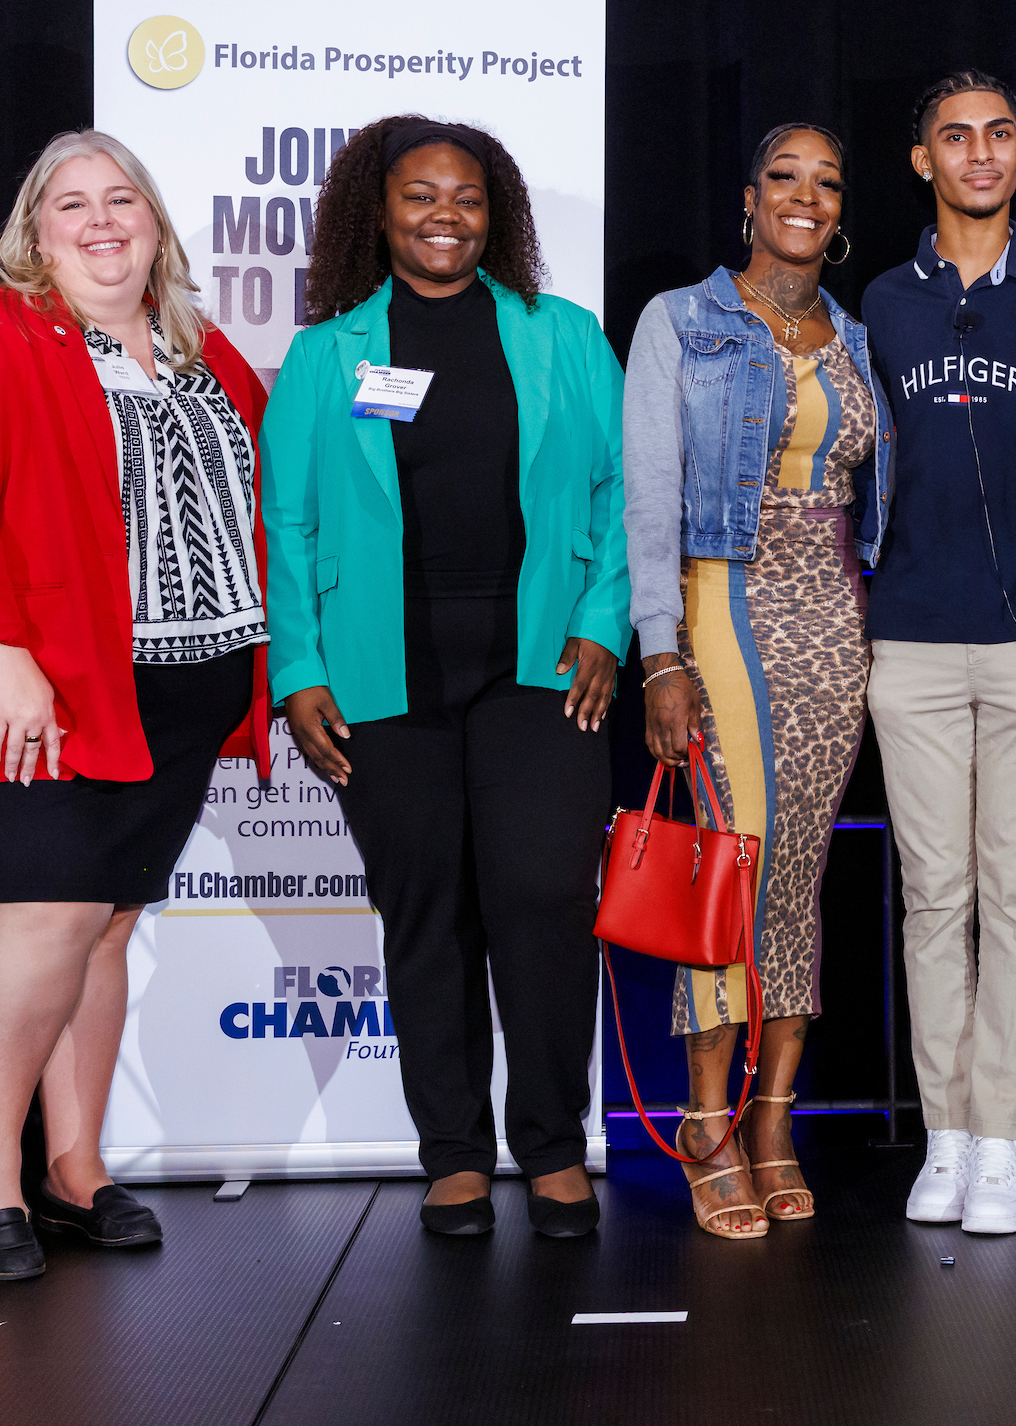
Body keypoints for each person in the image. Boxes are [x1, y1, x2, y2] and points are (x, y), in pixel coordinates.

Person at [0, 130, 276, 1280]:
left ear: (156, 222)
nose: (102, 222)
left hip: (187, 689)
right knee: (43, 909)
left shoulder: (211, 354)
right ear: (34, 233)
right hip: (42, 687)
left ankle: (75, 1164)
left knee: (105, 922)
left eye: (123, 200)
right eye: (71, 205)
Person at [263, 117, 627, 1240]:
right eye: (420, 196)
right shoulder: (328, 355)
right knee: (427, 912)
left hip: (538, 663)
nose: (443, 216)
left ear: (496, 212)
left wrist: (605, 625)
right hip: (383, 668)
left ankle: (555, 1145)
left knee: (542, 900)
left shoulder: (563, 336)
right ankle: (456, 1155)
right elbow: (289, 518)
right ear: (380, 210)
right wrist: (300, 668)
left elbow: (620, 497)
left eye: (466, 197)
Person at [625, 122, 892, 1239]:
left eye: (828, 182)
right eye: (786, 177)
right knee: (735, 861)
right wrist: (658, 650)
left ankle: (773, 1115)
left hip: (834, 616)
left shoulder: (858, 337)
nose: (807, 197)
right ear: (750, 198)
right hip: (720, 603)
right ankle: (705, 1122)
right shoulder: (680, 320)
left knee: (800, 873)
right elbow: (647, 491)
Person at [861, 70, 1016, 1235]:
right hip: (904, 637)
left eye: (1000, 135)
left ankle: (1007, 1139)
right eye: (955, 136)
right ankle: (945, 1134)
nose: (981, 153)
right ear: (924, 161)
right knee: (931, 898)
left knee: (1014, 899)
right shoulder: (882, 303)